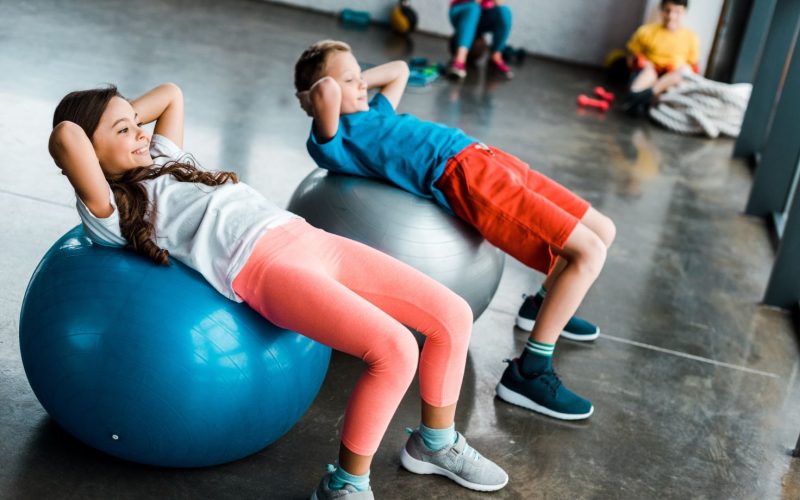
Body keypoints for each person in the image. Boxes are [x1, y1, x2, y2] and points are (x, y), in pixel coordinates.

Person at [48, 83, 508, 498]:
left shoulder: (163, 157)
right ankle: (346, 484)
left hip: (306, 236)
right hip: (263, 266)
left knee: (453, 314)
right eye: (124, 131)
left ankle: (435, 444)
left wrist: (123, 120)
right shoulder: (110, 209)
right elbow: (67, 133)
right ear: (88, 153)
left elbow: (171, 93)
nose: (140, 133)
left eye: (136, 123)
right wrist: (103, 128)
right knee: (395, 350)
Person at [294, 41, 616, 423]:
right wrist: (320, 92)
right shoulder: (336, 141)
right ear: (317, 98)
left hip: (487, 157)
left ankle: (542, 305)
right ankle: (530, 373)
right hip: (466, 177)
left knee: (603, 228)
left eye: (360, 74)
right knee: (588, 252)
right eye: (349, 79)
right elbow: (327, 93)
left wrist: (355, 78)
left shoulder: (373, 110)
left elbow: (399, 69)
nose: (362, 84)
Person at [622, 0, 700, 116]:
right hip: (649, 75)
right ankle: (638, 96)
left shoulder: (691, 38)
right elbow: (630, 58)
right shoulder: (646, 31)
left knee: (684, 71)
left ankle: (642, 98)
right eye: (667, 11)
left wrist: (681, 69)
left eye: (677, 12)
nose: (671, 16)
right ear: (661, 9)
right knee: (649, 71)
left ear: (684, 12)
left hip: (671, 80)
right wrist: (642, 63)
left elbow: (694, 68)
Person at [448, 0, 513, 79]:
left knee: (505, 11)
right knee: (473, 8)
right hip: (461, 9)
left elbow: (499, 3)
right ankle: (459, 61)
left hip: (483, 13)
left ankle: (495, 57)